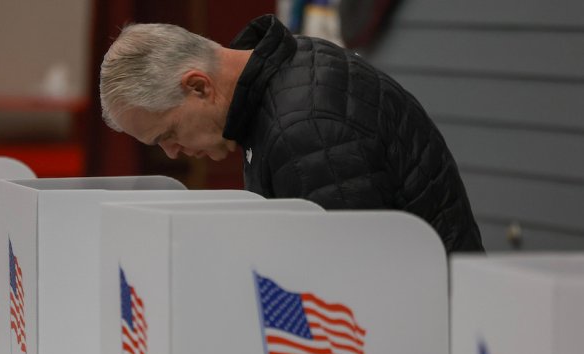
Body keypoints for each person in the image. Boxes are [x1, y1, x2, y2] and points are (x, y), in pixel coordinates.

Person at [99, 14, 484, 253]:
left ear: (199, 86)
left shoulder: (305, 128)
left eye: (169, 133)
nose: (171, 152)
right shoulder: (285, 78)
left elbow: (356, 288)